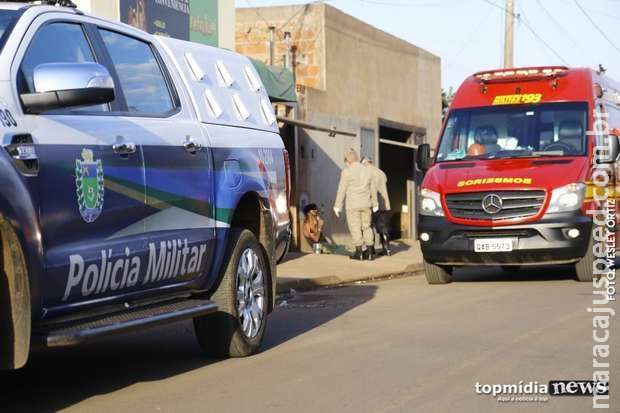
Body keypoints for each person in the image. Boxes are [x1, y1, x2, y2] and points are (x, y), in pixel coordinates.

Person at [333, 148, 378, 260]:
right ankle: (370, 252)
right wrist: (375, 203)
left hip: (353, 205)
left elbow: (341, 190)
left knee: (355, 227)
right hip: (366, 204)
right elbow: (373, 188)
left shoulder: (347, 172)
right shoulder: (368, 170)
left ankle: (359, 253)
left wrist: (337, 206)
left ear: (347, 159)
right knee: (367, 227)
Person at [362, 157, 392, 256]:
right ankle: (386, 249)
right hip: (383, 204)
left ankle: (371, 249)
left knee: (368, 227)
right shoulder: (381, 172)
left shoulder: (366, 173)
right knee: (383, 227)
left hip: (371, 204)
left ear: (365, 163)